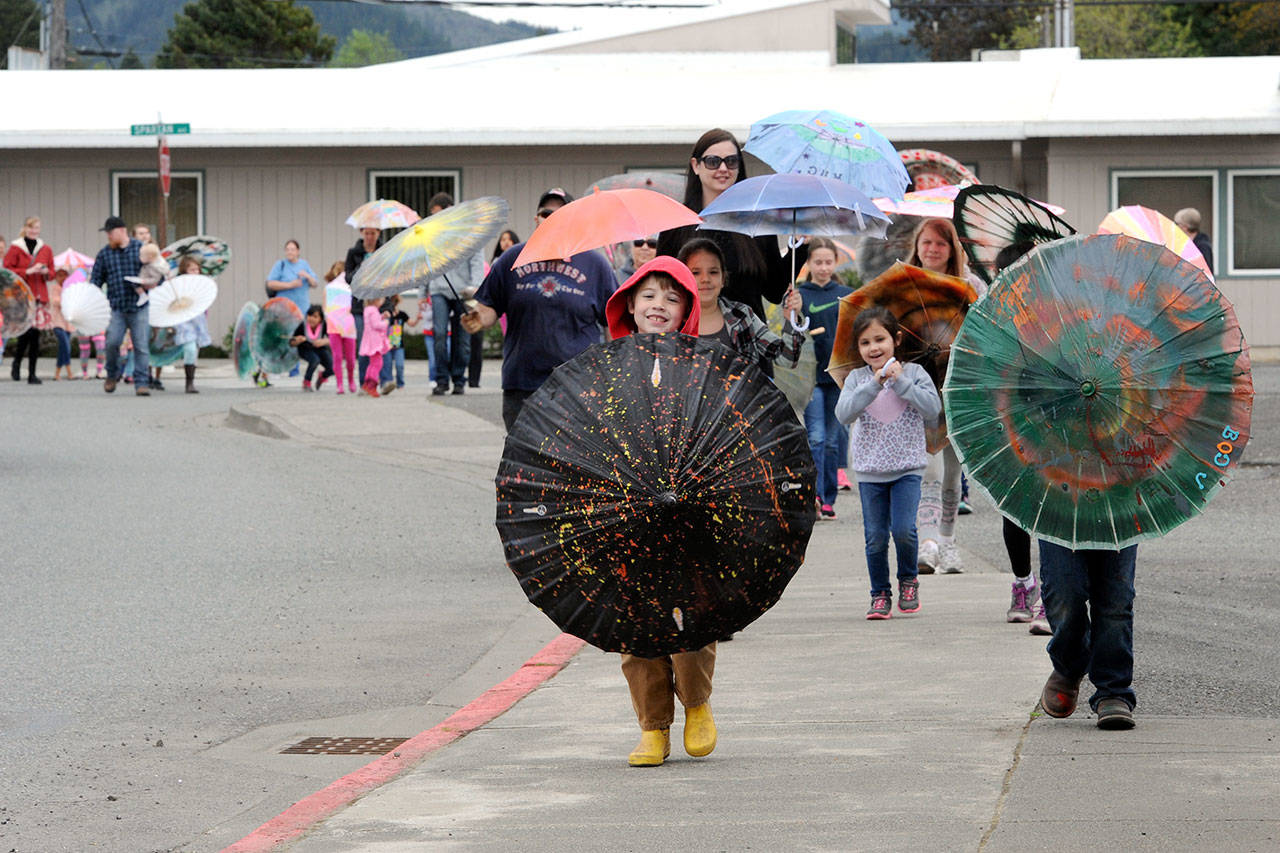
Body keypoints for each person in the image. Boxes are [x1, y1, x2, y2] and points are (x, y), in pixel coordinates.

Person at [601, 256, 716, 767]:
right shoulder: (603, 366)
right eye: (648, 295)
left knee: (690, 616)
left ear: (687, 309)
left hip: (687, 510)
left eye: (672, 298)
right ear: (628, 302)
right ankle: (652, 726)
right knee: (637, 622)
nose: (659, 306)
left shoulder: (704, 363)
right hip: (628, 511)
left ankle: (697, 703)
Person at [461, 188, 617, 431]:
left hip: (579, 385)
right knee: (523, 462)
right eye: (546, 212)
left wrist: (613, 376)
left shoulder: (595, 265)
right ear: (536, 219)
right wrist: (477, 317)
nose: (553, 218)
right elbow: (489, 309)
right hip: (523, 384)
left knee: (573, 465)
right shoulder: (511, 259)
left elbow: (612, 324)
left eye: (562, 212)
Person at [835, 306, 942, 620]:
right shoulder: (856, 379)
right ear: (858, 348)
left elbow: (932, 409)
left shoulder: (913, 373)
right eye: (865, 343)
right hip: (870, 471)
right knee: (876, 537)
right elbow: (844, 414)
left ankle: (908, 578)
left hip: (908, 467)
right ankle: (879, 593)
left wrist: (901, 384)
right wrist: (874, 384)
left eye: (880, 339)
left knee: (904, 530)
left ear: (895, 339)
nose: (874, 348)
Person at [656, 128, 799, 324]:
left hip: (749, 342)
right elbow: (663, 288)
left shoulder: (757, 221)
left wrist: (799, 248)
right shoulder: (677, 223)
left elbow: (774, 292)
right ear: (696, 166)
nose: (723, 169)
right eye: (713, 161)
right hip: (693, 341)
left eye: (731, 161)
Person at [906, 217, 982, 574]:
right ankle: (928, 543)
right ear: (917, 247)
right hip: (917, 389)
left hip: (956, 388)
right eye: (927, 243)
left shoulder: (968, 287)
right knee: (928, 472)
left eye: (941, 243)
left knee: (952, 472)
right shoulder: (903, 285)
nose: (933, 250)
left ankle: (948, 542)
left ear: (952, 250)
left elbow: (981, 334)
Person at [1037, 543, 1139, 730]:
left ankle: (1113, 689)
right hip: (1060, 519)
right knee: (1064, 593)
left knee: (1116, 599)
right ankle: (1070, 663)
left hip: (1117, 518)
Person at [797, 238, 853, 520]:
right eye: (817, 262)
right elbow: (788, 332)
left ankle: (828, 498)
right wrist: (791, 311)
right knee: (815, 438)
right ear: (808, 264)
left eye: (828, 261)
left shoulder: (847, 294)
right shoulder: (798, 295)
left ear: (835, 262)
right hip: (810, 377)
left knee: (832, 441)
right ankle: (814, 496)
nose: (823, 267)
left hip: (839, 376)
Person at [422, 193, 486, 396]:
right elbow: (426, 264)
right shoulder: (432, 237)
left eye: (438, 215)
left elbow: (476, 260)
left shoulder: (467, 232)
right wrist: (423, 291)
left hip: (463, 291)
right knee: (439, 334)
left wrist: (475, 287)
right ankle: (442, 379)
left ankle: (459, 378)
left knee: (463, 338)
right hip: (439, 290)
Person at [90, 215, 149, 394]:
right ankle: (112, 374)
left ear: (121, 231)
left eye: (110, 232)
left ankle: (141, 383)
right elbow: (96, 280)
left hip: (139, 306)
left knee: (141, 346)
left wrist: (150, 283)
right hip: (116, 307)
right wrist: (90, 297)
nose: (108, 236)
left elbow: (156, 272)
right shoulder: (105, 253)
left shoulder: (140, 249)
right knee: (112, 342)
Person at [4, 216, 55, 384]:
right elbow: (7, 271)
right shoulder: (15, 248)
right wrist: (28, 271)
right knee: (24, 333)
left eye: (37, 228)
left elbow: (52, 273)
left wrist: (45, 272)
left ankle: (32, 373)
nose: (34, 231)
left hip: (40, 297)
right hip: (23, 297)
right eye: (31, 228)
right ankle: (17, 363)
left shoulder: (45, 249)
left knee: (35, 335)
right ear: (25, 228)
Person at [468, 230, 518, 388]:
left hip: (516, 303)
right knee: (509, 334)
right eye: (503, 239)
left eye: (509, 239)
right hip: (501, 305)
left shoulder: (520, 258)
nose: (506, 242)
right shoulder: (496, 263)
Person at [168, 254, 211, 393]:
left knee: (194, 350)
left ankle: (191, 378)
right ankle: (189, 382)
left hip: (198, 319)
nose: (195, 272)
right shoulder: (178, 284)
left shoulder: (202, 284)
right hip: (183, 319)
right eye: (191, 269)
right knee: (190, 347)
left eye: (196, 269)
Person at [345, 225, 382, 384]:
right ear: (362, 233)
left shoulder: (383, 252)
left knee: (380, 345)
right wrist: (361, 268)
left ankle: (379, 379)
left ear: (378, 233)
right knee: (364, 343)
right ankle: (363, 381)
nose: (370, 237)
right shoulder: (354, 253)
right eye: (367, 233)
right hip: (360, 305)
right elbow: (348, 278)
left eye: (373, 233)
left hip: (379, 303)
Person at [322, 261, 357, 394]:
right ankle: (341, 383)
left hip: (343, 325)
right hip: (338, 325)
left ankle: (347, 381)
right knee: (344, 357)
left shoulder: (347, 287)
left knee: (344, 357)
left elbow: (325, 308)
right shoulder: (330, 288)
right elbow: (325, 308)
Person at [290, 304, 334, 391]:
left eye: (315, 316)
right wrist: (297, 340)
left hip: (320, 348)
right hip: (305, 349)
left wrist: (324, 341)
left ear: (320, 319)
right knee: (315, 360)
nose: (311, 319)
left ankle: (322, 376)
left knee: (333, 367)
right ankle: (307, 381)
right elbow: (291, 342)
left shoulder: (324, 325)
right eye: (309, 316)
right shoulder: (302, 325)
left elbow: (332, 339)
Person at [266, 239, 319, 312]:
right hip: (284, 309)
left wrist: (307, 276)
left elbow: (315, 284)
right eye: (287, 250)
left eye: (292, 250)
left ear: (298, 251)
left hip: (302, 308)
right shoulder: (280, 264)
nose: (289, 252)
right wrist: (290, 285)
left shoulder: (304, 264)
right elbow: (270, 284)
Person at [359, 295, 391, 398]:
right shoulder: (373, 310)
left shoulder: (369, 310)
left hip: (370, 340)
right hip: (374, 341)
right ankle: (372, 385)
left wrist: (381, 316)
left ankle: (366, 384)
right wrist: (385, 323)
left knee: (372, 364)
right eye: (381, 299)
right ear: (376, 300)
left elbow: (373, 321)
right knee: (377, 363)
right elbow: (376, 325)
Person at [48, 266, 74, 381]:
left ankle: (57, 373)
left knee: (63, 348)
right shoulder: (55, 288)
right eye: (60, 275)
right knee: (65, 346)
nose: (62, 278)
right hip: (57, 322)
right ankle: (68, 371)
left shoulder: (70, 289)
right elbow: (55, 301)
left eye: (64, 275)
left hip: (68, 323)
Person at [1174, 207, 1214, 275]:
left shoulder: (1203, 246)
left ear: (1185, 227)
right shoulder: (1184, 244)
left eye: (1177, 224)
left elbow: (1205, 274)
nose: (1175, 227)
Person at [385, 294, 410, 391]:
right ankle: (390, 382)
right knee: (388, 365)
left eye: (394, 303)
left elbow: (411, 323)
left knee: (400, 365)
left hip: (399, 345)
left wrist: (418, 317)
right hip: (388, 345)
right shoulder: (387, 315)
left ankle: (400, 383)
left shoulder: (402, 314)